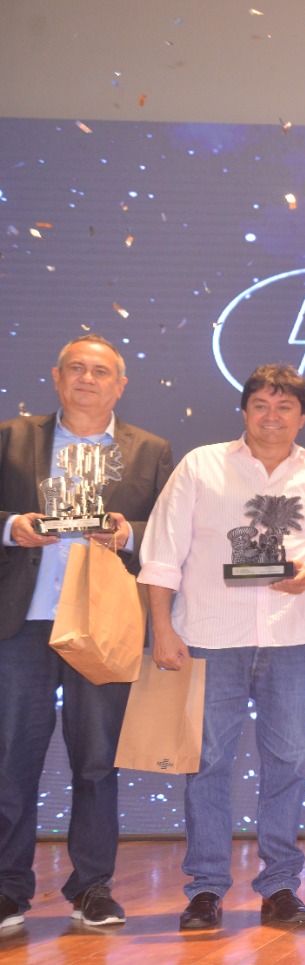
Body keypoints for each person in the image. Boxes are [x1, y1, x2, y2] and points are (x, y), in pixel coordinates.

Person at [139, 365, 305, 930]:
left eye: (285, 407)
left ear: (302, 417)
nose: (272, 416)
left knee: (289, 760)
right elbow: (161, 553)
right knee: (207, 763)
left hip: (289, 638)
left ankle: (280, 885)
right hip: (210, 637)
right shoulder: (200, 465)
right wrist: (162, 629)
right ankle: (206, 888)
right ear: (244, 411)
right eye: (261, 405)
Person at [0, 334, 173, 931]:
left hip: (105, 621)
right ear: (56, 376)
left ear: (120, 385)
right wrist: (11, 527)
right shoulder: (11, 438)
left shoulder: (150, 450)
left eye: (100, 371)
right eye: (76, 368)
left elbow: (169, 532)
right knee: (11, 758)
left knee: (97, 761)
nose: (87, 379)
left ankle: (92, 887)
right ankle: (8, 888)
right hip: (22, 622)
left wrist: (129, 533)